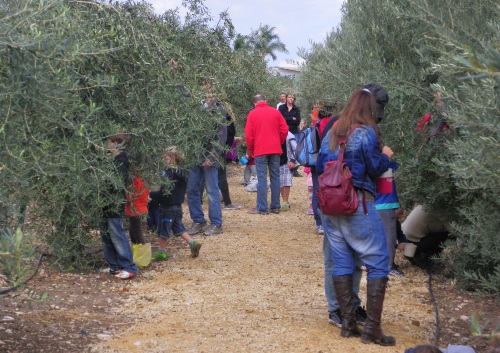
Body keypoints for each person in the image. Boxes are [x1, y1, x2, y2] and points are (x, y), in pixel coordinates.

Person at [316, 89, 395, 346]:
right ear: (370, 108)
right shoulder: (366, 132)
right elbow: (374, 167)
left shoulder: (333, 132)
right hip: (358, 203)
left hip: (331, 209)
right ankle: (372, 329)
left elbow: (319, 167)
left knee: (341, 263)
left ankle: (348, 323)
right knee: (379, 263)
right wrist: (386, 156)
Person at [149, 147, 202, 260]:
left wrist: (152, 195)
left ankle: (162, 252)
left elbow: (163, 192)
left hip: (167, 207)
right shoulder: (182, 173)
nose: (164, 160)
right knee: (178, 227)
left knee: (163, 230)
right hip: (178, 206)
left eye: (166, 158)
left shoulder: (168, 175)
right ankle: (192, 242)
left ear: (173, 159)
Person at [186, 95, 227, 236]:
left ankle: (216, 224)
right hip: (194, 154)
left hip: (209, 154)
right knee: (192, 189)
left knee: (212, 191)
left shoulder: (219, 109)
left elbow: (221, 135)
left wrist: (213, 156)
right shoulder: (194, 106)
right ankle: (198, 221)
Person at [100, 134, 138, 280]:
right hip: (103, 202)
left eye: (107, 142)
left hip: (114, 203)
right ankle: (114, 266)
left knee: (117, 234)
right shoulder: (108, 159)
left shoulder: (121, 160)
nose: (105, 145)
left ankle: (129, 267)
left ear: (115, 143)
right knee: (106, 234)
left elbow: (117, 183)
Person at [245, 94, 289, 215]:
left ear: (255, 103)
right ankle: (275, 206)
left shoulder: (252, 114)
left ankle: (262, 207)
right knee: (275, 176)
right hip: (275, 148)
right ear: (266, 101)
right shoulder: (275, 112)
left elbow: (249, 135)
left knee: (262, 178)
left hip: (260, 149)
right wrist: (278, 141)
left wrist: (251, 150)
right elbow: (284, 129)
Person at [218, 106, 241, 210]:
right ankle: (227, 202)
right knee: (221, 174)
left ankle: (199, 200)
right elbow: (230, 131)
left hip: (205, 148)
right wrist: (227, 145)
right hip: (219, 148)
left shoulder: (202, 111)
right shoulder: (224, 112)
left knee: (202, 175)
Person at [278, 94, 302, 177]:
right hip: (283, 132)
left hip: (294, 131)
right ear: (286, 98)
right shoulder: (281, 108)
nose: (291, 99)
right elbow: (280, 119)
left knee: (295, 149)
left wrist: (287, 119)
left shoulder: (296, 109)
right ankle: (284, 166)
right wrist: (292, 118)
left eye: (292, 97)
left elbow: (298, 121)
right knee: (284, 148)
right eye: (289, 97)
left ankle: (295, 169)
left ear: (294, 99)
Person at [125, 173, 149, 245]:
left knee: (137, 234)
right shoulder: (143, 180)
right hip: (139, 208)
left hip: (135, 209)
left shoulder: (136, 181)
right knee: (133, 233)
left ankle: (142, 254)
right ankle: (135, 252)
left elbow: (132, 196)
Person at [279, 131, 298, 211]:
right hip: (278, 160)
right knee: (280, 181)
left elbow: (296, 148)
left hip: (288, 161)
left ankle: (285, 201)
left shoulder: (289, 135)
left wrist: (293, 160)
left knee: (286, 181)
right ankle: (283, 200)